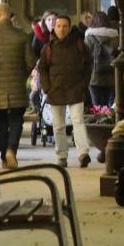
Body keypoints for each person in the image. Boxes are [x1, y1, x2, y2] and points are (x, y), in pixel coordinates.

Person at [37, 13, 93, 167]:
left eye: (64, 26)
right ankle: (62, 155)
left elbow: (89, 64)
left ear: (69, 28)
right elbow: (42, 69)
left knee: (78, 121)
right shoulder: (48, 48)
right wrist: (47, 87)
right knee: (58, 125)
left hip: (75, 89)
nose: (61, 29)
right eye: (58, 26)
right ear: (54, 28)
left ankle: (83, 154)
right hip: (55, 90)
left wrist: (83, 84)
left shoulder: (79, 45)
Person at [0, 2, 36, 168]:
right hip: (17, 87)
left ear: (0, 14)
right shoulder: (22, 35)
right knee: (16, 121)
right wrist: (21, 76)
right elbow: (31, 62)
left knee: (0, 123)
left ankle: (4, 158)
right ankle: (11, 150)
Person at [84, 10, 118, 108]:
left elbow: (85, 58)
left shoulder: (88, 38)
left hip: (94, 77)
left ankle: (100, 122)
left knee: (97, 108)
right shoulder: (115, 37)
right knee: (111, 107)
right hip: (112, 76)